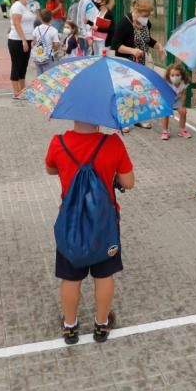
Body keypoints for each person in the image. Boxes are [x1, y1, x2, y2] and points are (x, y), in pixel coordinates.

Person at [45, 120, 135, 345]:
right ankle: (102, 324)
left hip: (70, 224)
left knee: (70, 277)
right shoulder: (113, 143)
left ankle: (70, 326)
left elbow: (50, 168)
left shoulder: (59, 142)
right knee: (104, 275)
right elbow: (129, 182)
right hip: (104, 223)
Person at [111, 0, 164, 130]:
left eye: (148, 15)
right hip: (125, 62)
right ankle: (124, 120)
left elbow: (147, 40)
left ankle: (139, 119)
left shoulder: (146, 23)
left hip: (141, 62)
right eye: (144, 15)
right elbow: (116, 45)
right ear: (137, 11)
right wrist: (132, 51)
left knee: (140, 90)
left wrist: (158, 45)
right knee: (126, 91)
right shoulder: (125, 23)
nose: (146, 18)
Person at [7, 0, 35, 99]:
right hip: (17, 40)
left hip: (28, 39)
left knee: (24, 66)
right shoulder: (17, 6)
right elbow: (17, 24)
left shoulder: (27, 6)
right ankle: (16, 92)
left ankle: (23, 90)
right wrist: (23, 40)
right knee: (17, 65)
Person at [160, 63, 193, 140]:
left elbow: (183, 95)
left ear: (181, 75)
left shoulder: (184, 83)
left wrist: (182, 105)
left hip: (177, 100)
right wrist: (167, 105)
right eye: (172, 75)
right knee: (166, 112)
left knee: (183, 111)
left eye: (177, 75)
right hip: (168, 99)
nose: (175, 77)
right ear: (169, 75)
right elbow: (164, 94)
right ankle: (165, 131)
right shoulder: (167, 83)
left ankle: (182, 130)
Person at [31, 8, 61, 75]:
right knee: (48, 75)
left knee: (39, 75)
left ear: (40, 18)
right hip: (48, 56)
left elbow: (33, 42)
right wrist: (54, 47)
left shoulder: (36, 29)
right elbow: (56, 45)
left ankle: (39, 85)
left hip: (38, 55)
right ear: (51, 18)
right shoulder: (54, 30)